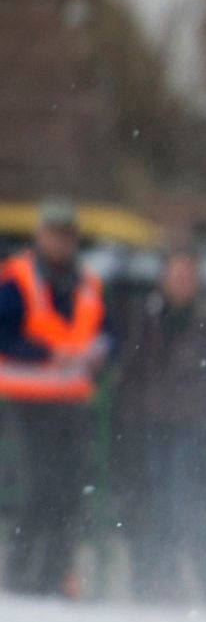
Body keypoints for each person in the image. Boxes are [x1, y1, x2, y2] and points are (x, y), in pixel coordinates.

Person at [0, 200, 108, 597]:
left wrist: (101, 350)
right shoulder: (17, 279)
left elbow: (107, 330)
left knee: (71, 490)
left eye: (67, 235)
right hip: (27, 399)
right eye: (54, 234)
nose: (61, 242)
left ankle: (57, 576)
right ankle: (21, 575)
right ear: (40, 236)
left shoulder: (86, 282)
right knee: (37, 489)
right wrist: (46, 354)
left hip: (72, 401)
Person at [115, 249, 206, 603]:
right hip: (153, 424)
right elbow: (132, 369)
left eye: (187, 276)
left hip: (193, 424)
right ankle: (163, 581)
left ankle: (203, 583)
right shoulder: (147, 318)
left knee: (185, 503)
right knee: (158, 506)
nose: (181, 283)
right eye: (176, 275)